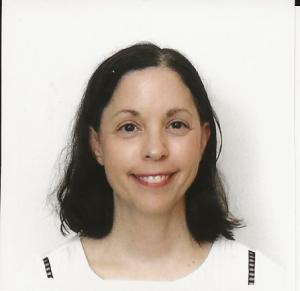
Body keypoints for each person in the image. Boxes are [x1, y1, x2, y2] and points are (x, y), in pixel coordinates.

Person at [17, 43, 285, 290]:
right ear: (97, 144)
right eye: (129, 127)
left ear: (203, 139)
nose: (155, 150)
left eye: (176, 125)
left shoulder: (260, 280)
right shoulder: (42, 282)